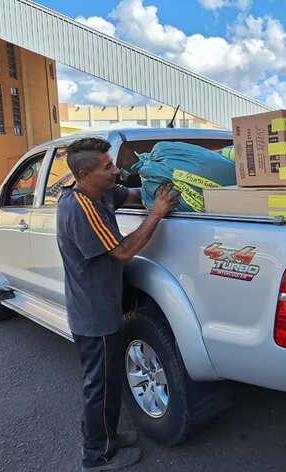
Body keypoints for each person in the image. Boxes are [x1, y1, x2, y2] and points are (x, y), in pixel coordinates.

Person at [56, 137, 178, 470]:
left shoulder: (101, 191)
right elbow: (123, 252)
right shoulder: (80, 209)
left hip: (101, 307)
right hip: (94, 316)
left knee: (105, 383)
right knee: (102, 386)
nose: (116, 170)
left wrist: (160, 183)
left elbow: (134, 194)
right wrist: (156, 213)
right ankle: (97, 454)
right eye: (107, 166)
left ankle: (105, 435)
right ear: (84, 175)